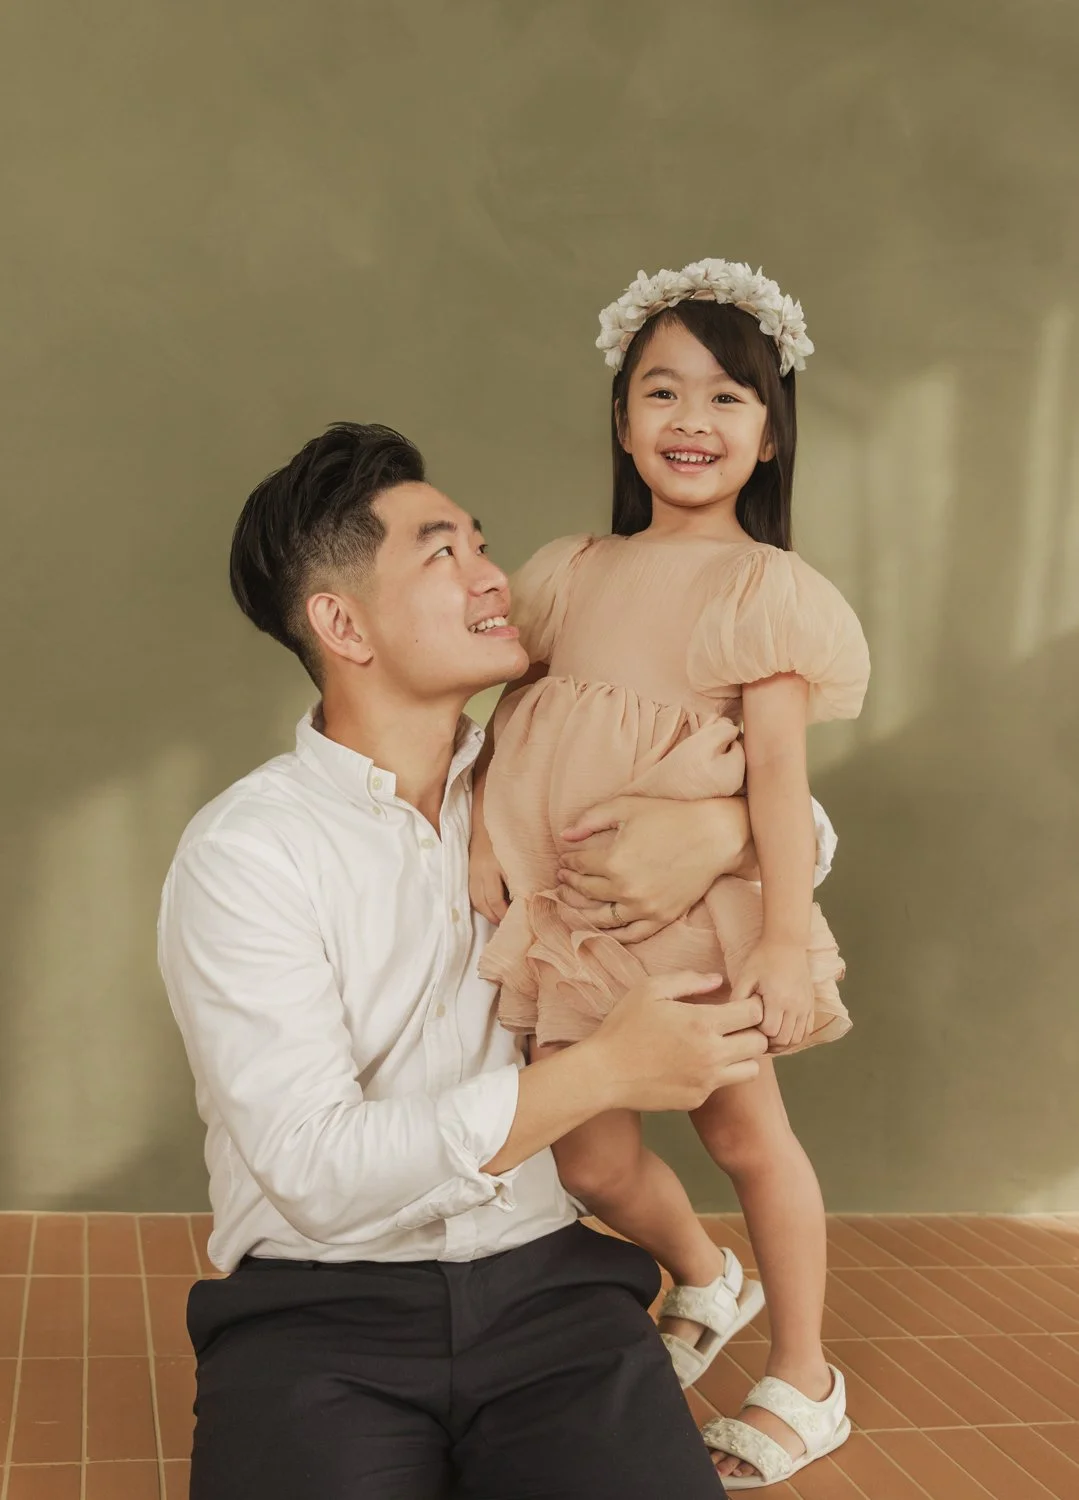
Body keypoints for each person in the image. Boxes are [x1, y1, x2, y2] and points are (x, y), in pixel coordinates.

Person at [158, 420, 835, 1498]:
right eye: (443, 555)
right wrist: (603, 1073)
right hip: (316, 1306)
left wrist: (720, 832)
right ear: (341, 623)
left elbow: (806, 827)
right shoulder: (247, 852)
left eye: (480, 543)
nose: (491, 577)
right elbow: (316, 1172)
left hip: (552, 1289)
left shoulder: (541, 785)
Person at [469, 260, 870, 1490]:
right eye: (661, 391)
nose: (690, 420)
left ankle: (805, 1374)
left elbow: (776, 778)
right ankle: (704, 1273)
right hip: (575, 921)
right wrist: (487, 845)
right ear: (621, 418)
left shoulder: (761, 590)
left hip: (693, 925)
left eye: (725, 397)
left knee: (745, 1135)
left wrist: (783, 939)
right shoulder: (569, 570)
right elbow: (507, 717)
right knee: (586, 1160)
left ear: (769, 434)